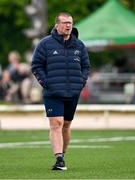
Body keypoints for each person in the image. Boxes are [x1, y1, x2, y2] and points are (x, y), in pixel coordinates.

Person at [31, 12, 90, 170]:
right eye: (65, 23)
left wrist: (81, 82)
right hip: (53, 92)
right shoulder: (45, 44)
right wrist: (46, 83)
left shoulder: (79, 45)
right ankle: (59, 159)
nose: (68, 25)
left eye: (70, 22)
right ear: (57, 25)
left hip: (73, 92)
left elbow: (86, 67)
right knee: (56, 124)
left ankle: (62, 154)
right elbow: (36, 65)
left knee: (66, 125)